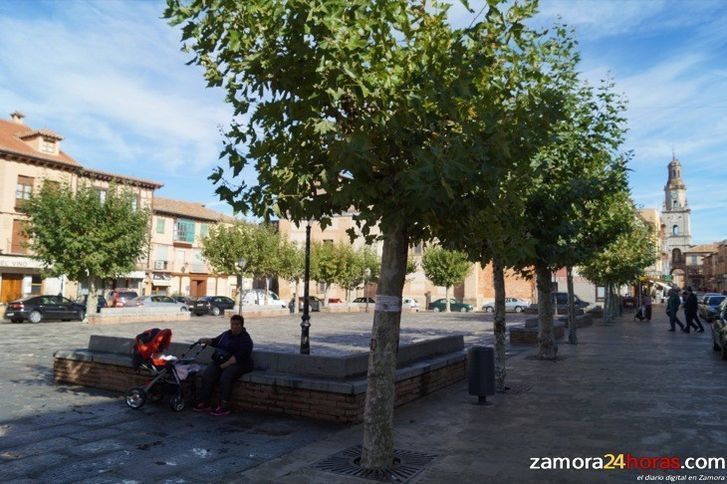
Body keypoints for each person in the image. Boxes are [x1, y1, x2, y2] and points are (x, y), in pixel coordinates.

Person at [193, 314, 254, 416]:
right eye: (232, 324)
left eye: (237, 324)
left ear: (241, 325)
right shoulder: (227, 334)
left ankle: (224, 406)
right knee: (208, 374)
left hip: (241, 363)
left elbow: (240, 356)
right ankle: (205, 402)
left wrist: (225, 365)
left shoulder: (246, 339)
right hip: (223, 360)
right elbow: (215, 341)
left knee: (226, 376)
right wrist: (205, 340)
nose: (234, 326)